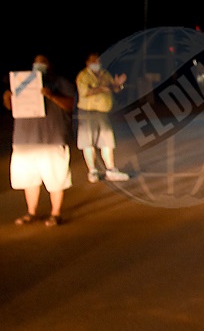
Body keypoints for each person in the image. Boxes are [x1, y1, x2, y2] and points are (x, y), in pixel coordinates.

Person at [3, 55, 76, 227]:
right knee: (28, 180)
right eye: (36, 61)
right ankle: (31, 212)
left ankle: (55, 213)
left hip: (51, 139)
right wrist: (8, 98)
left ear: (50, 65)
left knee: (55, 179)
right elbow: (12, 107)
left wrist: (51, 96)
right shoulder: (23, 82)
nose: (39, 65)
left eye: (43, 62)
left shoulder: (61, 83)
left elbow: (71, 105)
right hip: (24, 139)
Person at [75, 52, 129, 182]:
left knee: (107, 141)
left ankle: (111, 170)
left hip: (103, 113)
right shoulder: (83, 76)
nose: (97, 64)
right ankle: (92, 171)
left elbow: (114, 88)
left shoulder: (105, 74)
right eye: (94, 61)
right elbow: (85, 92)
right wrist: (104, 88)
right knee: (88, 142)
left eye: (98, 61)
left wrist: (118, 84)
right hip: (87, 112)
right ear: (88, 63)